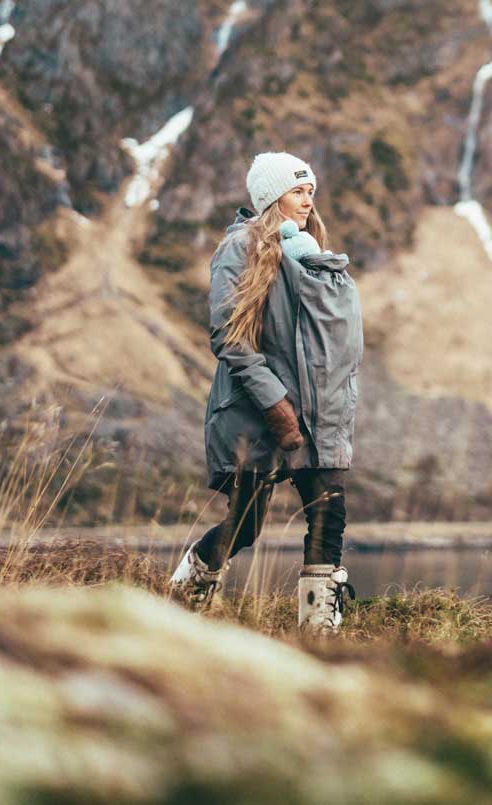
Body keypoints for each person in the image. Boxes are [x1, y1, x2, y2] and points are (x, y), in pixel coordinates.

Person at [168, 151, 364, 634]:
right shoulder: (240, 247)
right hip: (258, 414)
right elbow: (228, 337)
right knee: (246, 522)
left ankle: (319, 634)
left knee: (327, 514)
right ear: (270, 198)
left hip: (319, 417)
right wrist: (276, 406)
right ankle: (186, 590)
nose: (307, 199)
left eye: (310, 190)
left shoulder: (310, 253)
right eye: (297, 191)